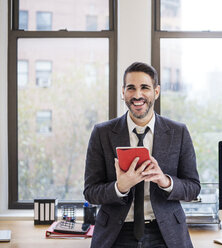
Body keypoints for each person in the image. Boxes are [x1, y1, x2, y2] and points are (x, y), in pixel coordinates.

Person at [84, 62, 200, 248]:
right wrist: (120, 187)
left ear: (156, 91)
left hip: (166, 233)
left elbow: (193, 188)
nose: (137, 95)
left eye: (144, 87)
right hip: (116, 233)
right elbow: (90, 192)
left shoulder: (178, 132)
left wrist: (165, 181)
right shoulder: (102, 133)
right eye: (131, 88)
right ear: (123, 92)